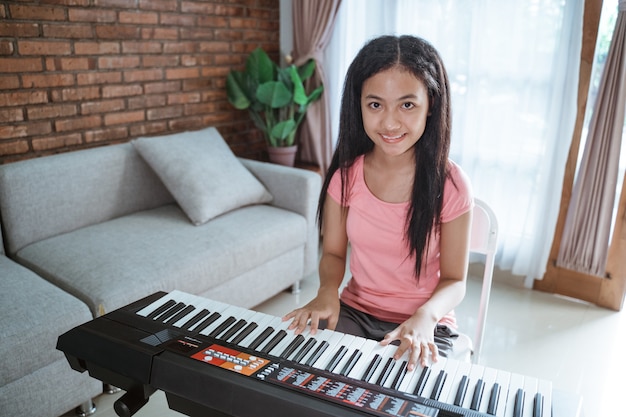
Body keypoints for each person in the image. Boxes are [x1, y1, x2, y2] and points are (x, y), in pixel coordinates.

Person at [283, 35, 474, 372]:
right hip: (356, 312)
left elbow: (456, 279)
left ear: (431, 104)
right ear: (358, 105)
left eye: (407, 104)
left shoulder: (451, 184)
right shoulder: (346, 176)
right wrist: (328, 289)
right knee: (297, 375)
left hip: (427, 320)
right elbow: (333, 254)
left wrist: (425, 317)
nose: (389, 123)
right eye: (375, 105)